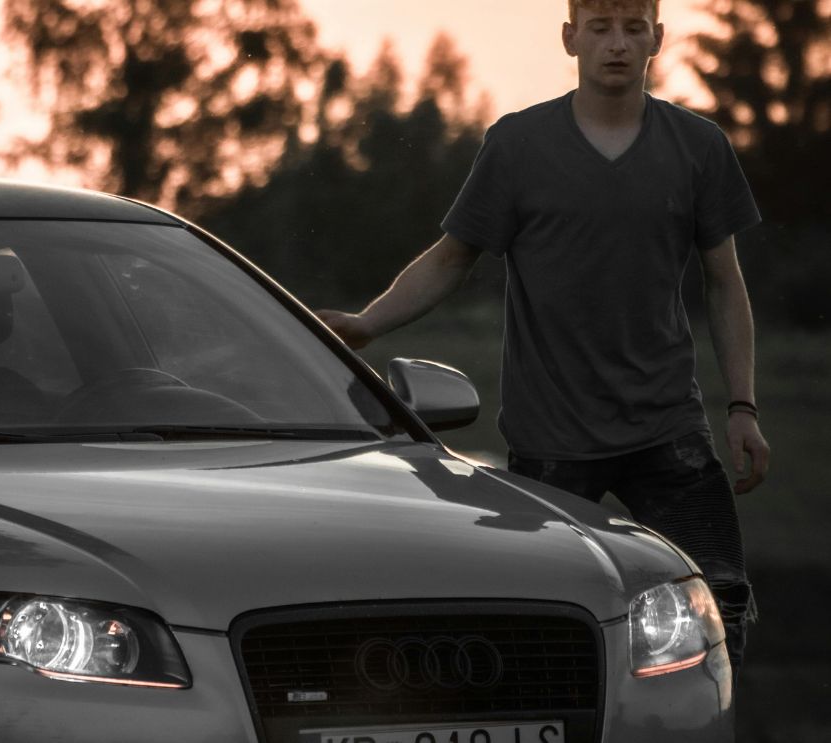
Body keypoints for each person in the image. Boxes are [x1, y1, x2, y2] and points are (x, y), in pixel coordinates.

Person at [317, 0, 768, 676]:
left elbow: (725, 283)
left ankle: (697, 716)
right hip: (552, 442)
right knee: (546, 631)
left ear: (656, 39)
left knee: (719, 605)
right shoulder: (518, 145)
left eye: (632, 28)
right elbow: (451, 257)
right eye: (599, 27)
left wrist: (742, 407)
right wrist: (365, 322)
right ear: (570, 38)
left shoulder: (698, 146)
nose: (616, 43)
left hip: (667, 431)